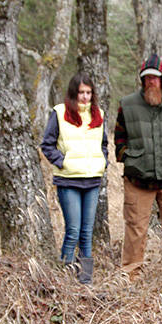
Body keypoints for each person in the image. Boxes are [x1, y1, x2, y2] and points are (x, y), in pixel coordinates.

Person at [114, 54, 162, 277]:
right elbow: (119, 137)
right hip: (137, 180)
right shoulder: (127, 105)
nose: (151, 82)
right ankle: (130, 274)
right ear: (141, 80)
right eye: (146, 78)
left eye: (155, 78)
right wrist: (128, 158)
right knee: (135, 228)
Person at [40, 73, 108, 284]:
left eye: (88, 92)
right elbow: (47, 144)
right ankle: (66, 280)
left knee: (87, 232)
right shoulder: (60, 113)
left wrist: (102, 161)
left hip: (92, 180)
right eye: (81, 92)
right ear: (73, 93)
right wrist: (63, 162)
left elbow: (104, 144)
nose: (85, 97)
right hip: (69, 180)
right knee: (73, 231)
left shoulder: (99, 114)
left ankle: (85, 280)